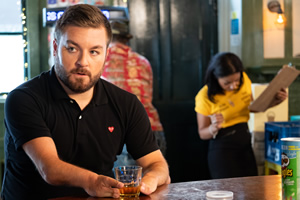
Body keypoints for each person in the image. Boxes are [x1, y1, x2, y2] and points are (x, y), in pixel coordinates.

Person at [1, 4, 170, 200]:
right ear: (56, 48)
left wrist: (149, 182)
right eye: (72, 49)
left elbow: (157, 164)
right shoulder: (24, 99)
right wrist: (93, 182)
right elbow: (50, 168)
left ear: (106, 54)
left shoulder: (126, 104)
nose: (83, 61)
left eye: (94, 51)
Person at [194, 52, 287, 179]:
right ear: (216, 77)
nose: (233, 86)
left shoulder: (244, 79)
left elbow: (252, 108)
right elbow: (202, 133)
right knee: (228, 193)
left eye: (236, 80)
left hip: (245, 142)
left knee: (252, 189)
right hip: (222, 147)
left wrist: (275, 101)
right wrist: (213, 127)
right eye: (227, 83)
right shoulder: (204, 96)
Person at [101, 20, 167, 166]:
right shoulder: (143, 61)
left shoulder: (100, 60)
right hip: (152, 129)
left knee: (123, 187)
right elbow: (147, 97)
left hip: (120, 133)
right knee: (153, 184)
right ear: (127, 39)